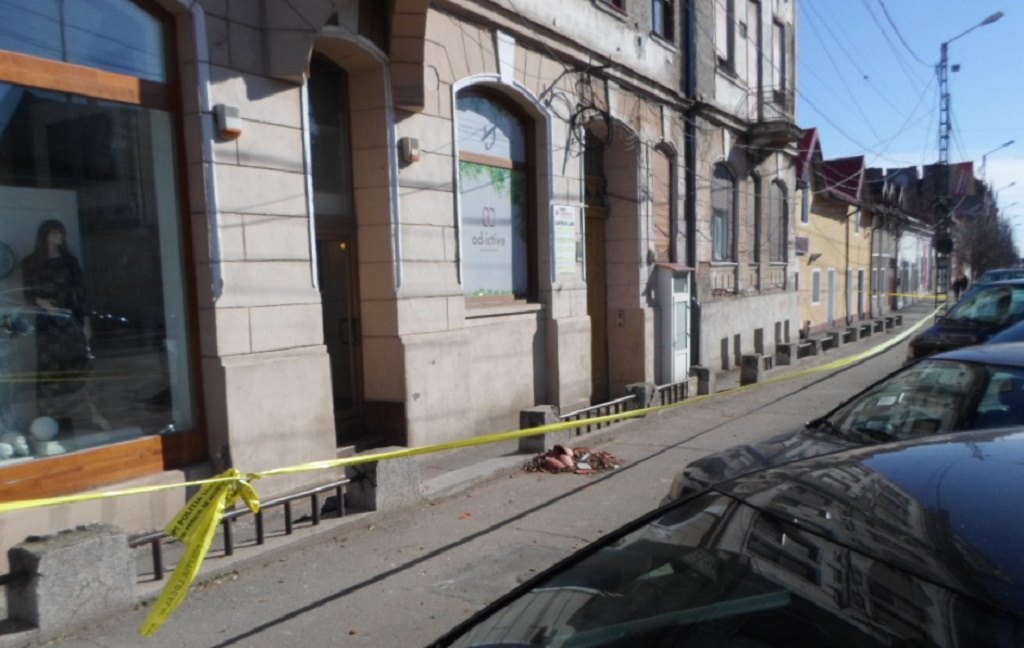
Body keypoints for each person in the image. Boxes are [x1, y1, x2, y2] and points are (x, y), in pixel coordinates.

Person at [21, 220, 106, 431]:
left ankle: (78, 416)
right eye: (54, 233)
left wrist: (86, 321)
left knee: (75, 368)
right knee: (49, 370)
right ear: (45, 235)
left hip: (71, 320)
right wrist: (43, 304)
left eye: (61, 232)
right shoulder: (31, 262)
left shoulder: (69, 262)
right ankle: (50, 419)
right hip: (48, 323)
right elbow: (28, 291)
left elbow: (81, 292)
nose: (59, 236)